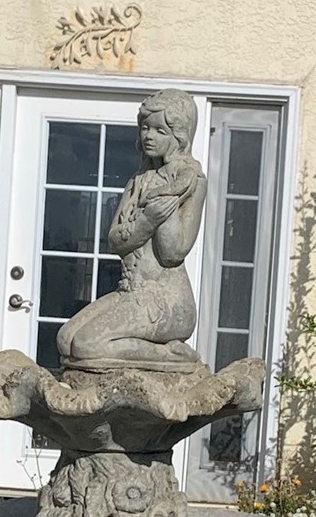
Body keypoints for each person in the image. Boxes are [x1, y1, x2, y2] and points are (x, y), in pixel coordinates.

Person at [57, 89, 206, 369]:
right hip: (130, 292)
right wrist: (147, 219)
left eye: (160, 130)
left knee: (88, 345)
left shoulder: (192, 181)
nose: (148, 136)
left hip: (165, 302)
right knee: (66, 340)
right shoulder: (138, 180)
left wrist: (167, 200)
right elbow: (115, 241)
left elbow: (173, 252)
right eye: (145, 128)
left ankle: (170, 355)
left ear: (180, 135)